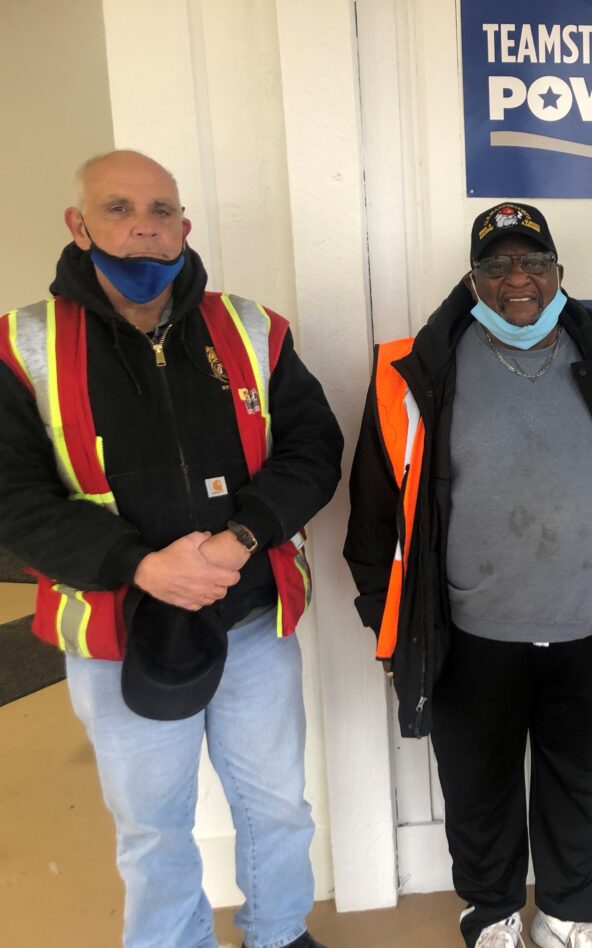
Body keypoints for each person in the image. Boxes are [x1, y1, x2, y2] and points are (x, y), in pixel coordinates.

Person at [0, 150, 342, 948]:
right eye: (118, 210)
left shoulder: (253, 328)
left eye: (161, 212)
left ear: (184, 225)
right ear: (77, 224)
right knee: (152, 828)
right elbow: (12, 500)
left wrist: (240, 539)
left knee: (277, 804)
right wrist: (143, 564)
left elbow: (312, 449)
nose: (143, 231)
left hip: (249, 616)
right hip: (118, 633)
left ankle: (280, 933)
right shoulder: (23, 347)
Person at [343, 203, 592, 948]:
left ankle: (569, 911)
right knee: (477, 785)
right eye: (496, 266)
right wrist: (385, 614)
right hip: (471, 631)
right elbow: (371, 511)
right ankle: (490, 911)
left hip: (591, 620)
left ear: (559, 272)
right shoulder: (413, 367)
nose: (517, 279)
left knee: (579, 778)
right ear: (473, 279)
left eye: (534, 263)